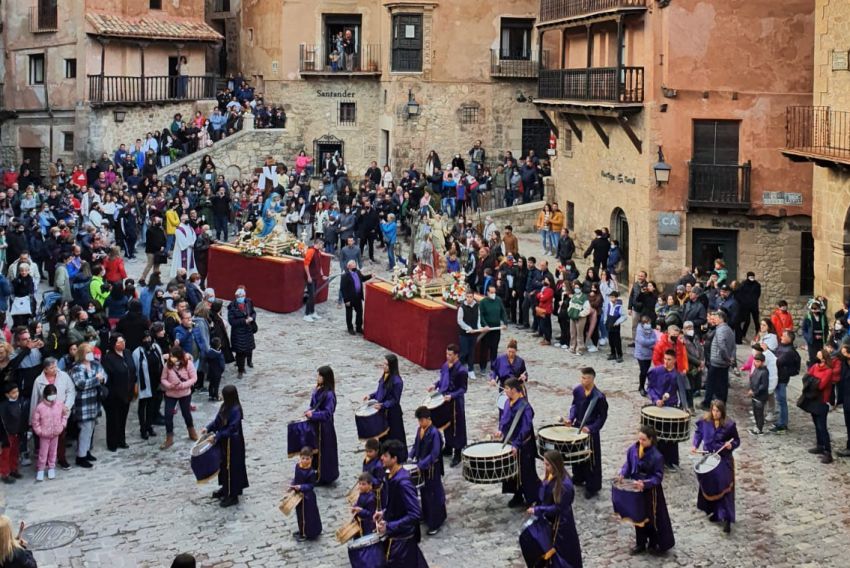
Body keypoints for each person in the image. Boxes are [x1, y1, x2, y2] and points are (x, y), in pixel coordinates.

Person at [617, 425, 675, 555]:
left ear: (651, 440)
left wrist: (645, 483)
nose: (640, 442)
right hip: (636, 490)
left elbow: (658, 477)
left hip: (651, 493)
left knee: (652, 518)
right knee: (637, 516)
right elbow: (628, 464)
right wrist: (623, 473)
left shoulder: (657, 456)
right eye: (639, 439)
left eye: (643, 440)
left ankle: (654, 543)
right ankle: (640, 543)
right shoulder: (633, 449)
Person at [522, 450, 582, 568]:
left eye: (547, 464)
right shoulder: (550, 476)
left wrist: (538, 510)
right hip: (549, 520)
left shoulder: (565, 486)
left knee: (562, 554)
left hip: (561, 526)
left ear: (555, 464)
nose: (545, 467)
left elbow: (559, 508)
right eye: (544, 464)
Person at [374, 439, 429, 567]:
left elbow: (415, 513)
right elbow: (397, 505)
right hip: (396, 538)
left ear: (394, 459)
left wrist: (390, 526)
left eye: (385, 456)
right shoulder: (391, 477)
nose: (381, 458)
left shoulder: (403, 483)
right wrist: (384, 513)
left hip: (402, 542)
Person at [691, 400, 740, 533]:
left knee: (724, 487)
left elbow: (736, 440)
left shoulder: (729, 425)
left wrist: (731, 445)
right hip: (708, 457)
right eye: (713, 410)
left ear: (722, 412)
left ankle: (726, 517)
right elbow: (699, 433)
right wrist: (695, 445)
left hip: (724, 459)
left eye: (718, 411)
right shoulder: (705, 421)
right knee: (710, 484)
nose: (715, 413)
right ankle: (713, 511)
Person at [562, 367, 608, 499]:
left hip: (590, 431)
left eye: (585, 378)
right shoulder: (577, 390)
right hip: (578, 427)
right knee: (577, 454)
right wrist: (571, 418)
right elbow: (574, 406)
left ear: (592, 379)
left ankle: (592, 486)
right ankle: (578, 477)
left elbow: (602, 417)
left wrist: (592, 428)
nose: (583, 380)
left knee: (591, 459)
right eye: (582, 377)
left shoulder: (599, 397)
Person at [201, 385, 248, 508]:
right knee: (223, 466)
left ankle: (233, 495)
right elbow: (218, 421)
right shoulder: (225, 407)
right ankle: (225, 488)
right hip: (224, 443)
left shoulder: (236, 410)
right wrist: (208, 428)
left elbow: (232, 428)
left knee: (232, 468)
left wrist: (217, 436)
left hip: (233, 445)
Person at [499, 377, 540, 508]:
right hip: (510, 442)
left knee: (526, 472)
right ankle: (517, 495)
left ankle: (531, 498)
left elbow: (526, 427)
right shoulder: (507, 402)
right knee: (512, 472)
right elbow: (504, 419)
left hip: (523, 445)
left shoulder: (525, 407)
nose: (504, 391)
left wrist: (517, 444)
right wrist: (500, 431)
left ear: (513, 390)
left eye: (506, 388)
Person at [29, 357, 75, 470]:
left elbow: (71, 391)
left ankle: (61, 459)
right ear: (45, 369)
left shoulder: (63, 376)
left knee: (61, 438)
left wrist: (67, 406)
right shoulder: (39, 381)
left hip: (60, 413)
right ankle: (43, 463)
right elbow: (35, 399)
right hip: (44, 415)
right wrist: (32, 420)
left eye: (55, 366)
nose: (55, 369)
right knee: (44, 441)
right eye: (51, 367)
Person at [408, 406, 446, 536]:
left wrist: (422, 464)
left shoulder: (435, 433)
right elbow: (416, 445)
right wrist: (410, 456)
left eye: (421, 420)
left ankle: (435, 522)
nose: (420, 423)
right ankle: (426, 515)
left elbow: (435, 453)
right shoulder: (420, 430)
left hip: (431, 468)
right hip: (421, 466)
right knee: (424, 493)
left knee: (433, 494)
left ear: (428, 419)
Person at [428, 345, 468, 467]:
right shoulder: (445, 365)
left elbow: (463, 389)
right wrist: (435, 385)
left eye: (450, 355)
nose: (448, 357)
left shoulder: (462, 370)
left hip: (455, 403)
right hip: (444, 400)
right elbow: (442, 380)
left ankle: (457, 452)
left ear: (456, 355)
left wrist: (452, 395)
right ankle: (448, 446)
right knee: (446, 424)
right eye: (447, 354)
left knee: (457, 427)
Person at [365, 354, 407, 462]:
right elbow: (380, 391)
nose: (384, 366)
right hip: (383, 413)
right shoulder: (384, 376)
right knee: (383, 436)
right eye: (384, 364)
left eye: (386, 365)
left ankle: (396, 457)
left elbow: (395, 400)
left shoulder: (397, 381)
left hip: (392, 415)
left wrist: (383, 405)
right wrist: (370, 396)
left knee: (394, 436)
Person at [646, 350, 684, 469]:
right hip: (657, 407)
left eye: (669, 360)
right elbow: (650, 388)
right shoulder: (656, 371)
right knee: (657, 435)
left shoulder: (677, 375)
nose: (666, 362)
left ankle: (670, 461)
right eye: (665, 359)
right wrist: (656, 399)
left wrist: (684, 407)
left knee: (671, 435)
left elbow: (682, 393)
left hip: (671, 407)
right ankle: (656, 461)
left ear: (674, 361)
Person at [70, 343, 105, 468]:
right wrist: (96, 379)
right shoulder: (76, 368)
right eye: (87, 352)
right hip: (83, 403)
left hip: (94, 401)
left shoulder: (95, 364)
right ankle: (81, 456)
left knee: (91, 428)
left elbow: (104, 376)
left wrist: (98, 378)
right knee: (84, 429)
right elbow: (81, 383)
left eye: (90, 351)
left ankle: (86, 451)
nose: (90, 354)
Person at [803, 349, 839, 464]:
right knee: (816, 424)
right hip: (813, 399)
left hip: (822, 400)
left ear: (823, 357)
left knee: (822, 426)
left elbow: (821, 385)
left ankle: (828, 452)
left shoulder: (828, 371)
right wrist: (814, 381)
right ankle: (820, 445)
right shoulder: (815, 366)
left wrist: (812, 381)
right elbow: (806, 378)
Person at [159, 346, 199, 450]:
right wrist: (169, 385)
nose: (171, 358)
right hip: (170, 394)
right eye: (170, 356)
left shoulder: (188, 364)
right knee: (168, 415)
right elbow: (163, 378)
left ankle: (191, 431)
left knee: (186, 413)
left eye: (173, 356)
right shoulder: (167, 365)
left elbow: (194, 378)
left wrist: (182, 385)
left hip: (185, 394)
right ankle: (169, 437)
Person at [100, 334, 134, 452]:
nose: (123, 343)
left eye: (123, 340)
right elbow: (108, 376)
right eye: (120, 342)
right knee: (113, 420)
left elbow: (132, 369)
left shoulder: (128, 353)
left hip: (127, 392)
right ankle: (112, 443)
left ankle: (121, 440)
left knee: (123, 418)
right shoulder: (108, 358)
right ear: (114, 344)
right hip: (113, 395)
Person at [306, 365, 339, 484]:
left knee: (325, 452)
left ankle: (325, 476)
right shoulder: (317, 389)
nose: (318, 377)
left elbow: (327, 413)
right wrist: (309, 411)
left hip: (325, 429)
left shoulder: (329, 395)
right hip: (316, 426)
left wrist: (313, 415)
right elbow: (313, 405)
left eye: (320, 375)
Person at [31, 383, 67, 482]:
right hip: (44, 435)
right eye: (51, 393)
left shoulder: (59, 404)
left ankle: (51, 467)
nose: (53, 395)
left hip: (55, 433)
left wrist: (62, 425)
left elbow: (64, 415)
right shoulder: (40, 407)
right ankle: (41, 469)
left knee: (53, 451)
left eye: (54, 393)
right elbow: (35, 421)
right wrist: (39, 431)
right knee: (43, 452)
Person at [133, 330, 163, 440]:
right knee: (143, 405)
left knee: (152, 405)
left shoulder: (155, 348)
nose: (147, 340)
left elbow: (161, 362)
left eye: (149, 338)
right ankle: (143, 428)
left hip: (155, 381)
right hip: (144, 383)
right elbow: (136, 369)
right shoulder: (137, 352)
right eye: (145, 339)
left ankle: (149, 425)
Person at [703, 310, 735, 407]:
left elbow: (721, 346)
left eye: (716, 318)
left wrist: (727, 358)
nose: (714, 320)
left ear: (721, 319)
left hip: (718, 361)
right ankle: (721, 403)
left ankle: (707, 403)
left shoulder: (720, 330)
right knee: (722, 384)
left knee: (711, 383)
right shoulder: (729, 329)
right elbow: (733, 346)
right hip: (724, 362)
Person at [290, 446, 322, 541]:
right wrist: (292, 485)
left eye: (307, 458)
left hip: (307, 498)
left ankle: (308, 533)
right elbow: (296, 479)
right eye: (303, 458)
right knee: (300, 514)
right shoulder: (297, 467)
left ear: (311, 459)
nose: (305, 460)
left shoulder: (311, 472)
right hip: (298, 496)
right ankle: (301, 530)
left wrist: (301, 487)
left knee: (307, 516)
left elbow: (311, 485)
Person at [227, 286, 256, 376]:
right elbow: (232, 321)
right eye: (238, 296)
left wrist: (252, 318)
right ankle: (240, 369)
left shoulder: (248, 302)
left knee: (249, 348)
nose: (240, 297)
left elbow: (253, 312)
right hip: (238, 333)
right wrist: (244, 321)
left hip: (248, 331)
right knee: (240, 353)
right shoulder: (232, 306)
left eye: (242, 295)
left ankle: (249, 362)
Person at [479, 283, 509, 369]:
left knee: (494, 348)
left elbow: (503, 312)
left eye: (494, 292)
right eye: (491, 292)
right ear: (487, 292)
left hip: (496, 329)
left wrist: (505, 322)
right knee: (484, 349)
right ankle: (483, 366)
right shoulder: (483, 302)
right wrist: (485, 325)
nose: (493, 294)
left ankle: (494, 365)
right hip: (487, 330)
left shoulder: (498, 300)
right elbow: (481, 315)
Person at [0, 382, 24, 483]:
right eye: (13, 392)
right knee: (5, 455)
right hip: (7, 434)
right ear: (7, 394)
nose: (16, 394)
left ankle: (13, 469)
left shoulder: (19, 402)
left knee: (15, 453)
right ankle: (5, 473)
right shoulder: (3, 406)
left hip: (17, 432)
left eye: (17, 391)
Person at [340, 259, 371, 335]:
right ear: (349, 267)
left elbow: (363, 278)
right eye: (353, 266)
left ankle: (358, 327)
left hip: (358, 297)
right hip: (350, 298)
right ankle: (350, 328)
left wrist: (370, 276)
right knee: (349, 314)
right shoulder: (345, 276)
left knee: (360, 312)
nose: (355, 267)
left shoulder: (358, 272)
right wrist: (346, 300)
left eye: (355, 265)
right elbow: (343, 288)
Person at [456, 289, 481, 379]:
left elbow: (478, 317)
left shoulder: (477, 306)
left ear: (473, 297)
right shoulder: (462, 307)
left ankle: (471, 370)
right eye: (468, 297)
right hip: (464, 334)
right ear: (465, 297)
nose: (469, 299)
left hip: (473, 334)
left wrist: (478, 327)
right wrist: (468, 328)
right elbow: (460, 321)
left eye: (471, 297)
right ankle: (458, 368)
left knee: (471, 352)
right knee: (464, 352)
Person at [303, 238, 325, 322]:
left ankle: (312, 312)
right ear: (318, 244)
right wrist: (308, 276)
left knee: (314, 295)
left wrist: (322, 275)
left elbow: (319, 265)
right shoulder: (310, 251)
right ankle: (307, 314)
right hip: (310, 277)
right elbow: (306, 264)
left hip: (316, 277)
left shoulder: (318, 252)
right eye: (322, 244)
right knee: (311, 295)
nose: (322, 246)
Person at [748, 352, 770, 435]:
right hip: (754, 395)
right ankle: (757, 426)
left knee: (759, 413)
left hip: (760, 396)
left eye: (758, 361)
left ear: (762, 362)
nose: (756, 363)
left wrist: (754, 391)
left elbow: (764, 386)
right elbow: (752, 379)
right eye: (755, 361)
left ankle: (759, 428)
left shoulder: (764, 372)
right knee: (755, 411)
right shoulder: (756, 369)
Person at [351, 472, 377, 538]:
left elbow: (371, 514)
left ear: (370, 485)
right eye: (359, 484)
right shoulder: (362, 494)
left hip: (368, 526)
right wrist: (355, 506)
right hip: (360, 524)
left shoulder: (371, 498)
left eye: (363, 484)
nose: (360, 486)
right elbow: (359, 503)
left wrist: (360, 510)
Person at [205, 337, 226, 402]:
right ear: (219, 345)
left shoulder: (209, 352)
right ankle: (216, 396)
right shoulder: (219, 354)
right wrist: (222, 370)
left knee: (211, 384)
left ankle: (210, 396)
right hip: (217, 372)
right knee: (216, 385)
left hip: (210, 371)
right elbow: (222, 365)